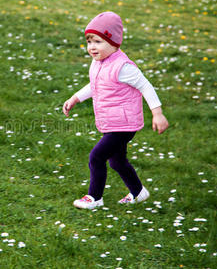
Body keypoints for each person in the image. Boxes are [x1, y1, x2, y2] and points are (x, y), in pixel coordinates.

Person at [63, 11, 169, 209]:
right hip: (112, 121)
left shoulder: (123, 67)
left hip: (124, 124)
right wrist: (75, 98)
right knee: (117, 161)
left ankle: (94, 198)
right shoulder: (99, 63)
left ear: (114, 42)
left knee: (97, 156)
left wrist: (158, 113)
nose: (92, 47)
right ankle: (138, 192)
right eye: (89, 41)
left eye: (98, 41)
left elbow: (145, 86)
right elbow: (95, 85)